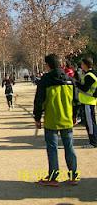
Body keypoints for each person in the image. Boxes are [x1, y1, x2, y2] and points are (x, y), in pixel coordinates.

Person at [34, 54, 78, 187]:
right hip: (67, 119)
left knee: (52, 149)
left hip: (51, 120)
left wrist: (37, 117)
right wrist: (74, 116)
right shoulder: (70, 80)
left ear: (48, 65)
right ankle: (73, 176)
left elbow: (39, 101)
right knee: (69, 147)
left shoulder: (45, 80)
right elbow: (76, 102)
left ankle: (53, 178)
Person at [75, 57, 97, 148]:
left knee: (90, 123)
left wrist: (76, 83)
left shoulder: (89, 76)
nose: (81, 66)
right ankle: (93, 141)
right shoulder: (89, 74)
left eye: (82, 64)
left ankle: (93, 142)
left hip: (88, 102)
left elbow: (85, 88)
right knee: (90, 122)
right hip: (88, 101)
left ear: (85, 65)